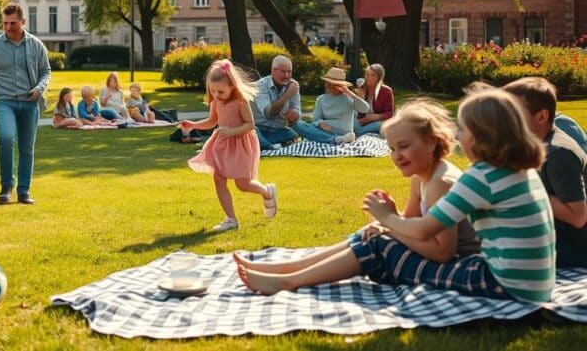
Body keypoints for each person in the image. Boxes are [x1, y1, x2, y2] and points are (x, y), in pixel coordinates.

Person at [233, 99, 480, 294]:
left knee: (376, 243)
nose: (396, 155)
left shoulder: (441, 183)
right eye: (392, 148)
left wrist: (389, 224)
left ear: (431, 143)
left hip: (457, 267)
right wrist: (388, 221)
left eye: (404, 146)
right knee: (371, 232)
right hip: (441, 259)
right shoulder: (421, 177)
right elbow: (412, 225)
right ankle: (284, 269)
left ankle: (288, 281)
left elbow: (442, 252)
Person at [362, 86, 555, 304]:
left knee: (382, 246)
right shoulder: (522, 169)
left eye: (462, 129)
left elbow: (425, 229)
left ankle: (313, 279)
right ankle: (312, 274)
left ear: (481, 134)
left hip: (506, 285)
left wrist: (386, 218)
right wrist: (391, 222)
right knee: (380, 239)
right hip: (537, 286)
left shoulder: (482, 176)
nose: (457, 136)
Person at [180, 59, 273, 231]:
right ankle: (231, 219)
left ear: (232, 86)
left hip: (240, 144)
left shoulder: (240, 102)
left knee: (242, 184)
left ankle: (267, 192)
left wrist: (233, 131)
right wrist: (193, 125)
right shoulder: (216, 102)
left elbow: (250, 125)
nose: (216, 95)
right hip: (222, 144)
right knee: (218, 178)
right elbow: (211, 122)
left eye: (221, 91)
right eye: (213, 91)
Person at [504, 77, 587, 267]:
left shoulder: (558, 154)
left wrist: (526, 189)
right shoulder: (534, 144)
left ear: (541, 116)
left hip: (572, 248)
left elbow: (578, 216)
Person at [0, 1, 51, 205]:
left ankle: (24, 191)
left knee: (27, 148)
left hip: (30, 102)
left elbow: (46, 71)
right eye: (5, 23)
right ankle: (6, 186)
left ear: (23, 21)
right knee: (7, 137)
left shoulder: (36, 45)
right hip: (5, 102)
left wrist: (39, 88)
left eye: (13, 23)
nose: (8, 27)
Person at [292, 67, 368, 145]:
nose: (327, 86)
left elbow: (365, 108)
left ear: (339, 86)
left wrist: (349, 92)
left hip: (344, 132)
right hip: (324, 131)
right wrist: (320, 124)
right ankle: (335, 140)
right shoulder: (321, 99)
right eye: (326, 83)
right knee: (297, 125)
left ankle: (330, 139)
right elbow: (316, 119)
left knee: (310, 132)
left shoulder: (349, 98)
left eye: (330, 84)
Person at [253, 55, 301, 150]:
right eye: (283, 72)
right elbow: (268, 113)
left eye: (289, 72)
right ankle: (270, 146)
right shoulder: (261, 85)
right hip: (260, 128)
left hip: (279, 130)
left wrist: (294, 115)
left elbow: (297, 112)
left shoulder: (293, 86)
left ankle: (261, 145)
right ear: (273, 71)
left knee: (292, 134)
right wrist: (287, 95)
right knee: (251, 132)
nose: (287, 76)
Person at [355, 63, 395, 136]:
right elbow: (358, 112)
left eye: (373, 75)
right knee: (351, 123)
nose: (368, 77)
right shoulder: (361, 88)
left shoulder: (386, 91)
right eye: (367, 74)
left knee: (359, 131)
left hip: (379, 121)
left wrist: (377, 116)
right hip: (363, 121)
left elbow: (390, 113)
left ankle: (358, 133)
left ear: (379, 77)